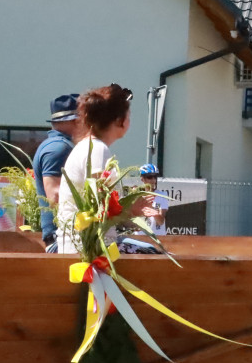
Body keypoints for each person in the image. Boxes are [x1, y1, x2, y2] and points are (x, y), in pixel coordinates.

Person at [57, 83, 151, 254]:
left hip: (81, 245)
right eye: (128, 115)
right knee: (157, 255)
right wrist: (132, 209)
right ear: (119, 120)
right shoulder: (97, 150)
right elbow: (101, 208)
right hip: (88, 249)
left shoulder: (87, 146)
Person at [33, 94, 81, 252]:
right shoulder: (59, 148)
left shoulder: (58, 145)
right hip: (64, 242)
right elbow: (55, 197)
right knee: (147, 251)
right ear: (74, 120)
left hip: (66, 239)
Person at [138, 163, 167, 236]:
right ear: (142, 179)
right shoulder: (137, 196)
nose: (153, 180)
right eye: (149, 177)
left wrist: (155, 213)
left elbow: (160, 222)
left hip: (158, 237)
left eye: (155, 177)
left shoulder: (162, 195)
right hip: (141, 236)